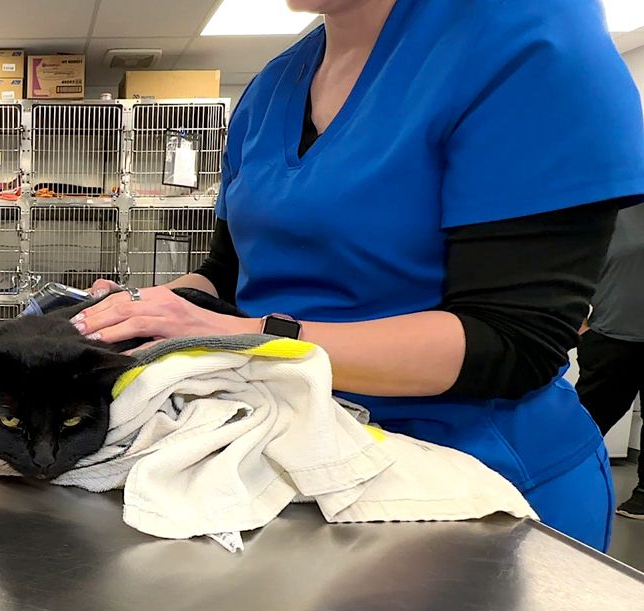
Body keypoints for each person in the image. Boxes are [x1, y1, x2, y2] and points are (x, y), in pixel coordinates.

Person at [75, 0, 644, 551]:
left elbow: (513, 341)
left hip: (481, 492)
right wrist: (139, 310)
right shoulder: (273, 86)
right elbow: (226, 275)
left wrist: (243, 338)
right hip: (299, 459)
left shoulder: (528, 39)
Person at [577, 204, 644, 519]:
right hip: (610, 338)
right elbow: (573, 270)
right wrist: (581, 326)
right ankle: (563, 485)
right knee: (585, 420)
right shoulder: (610, 211)